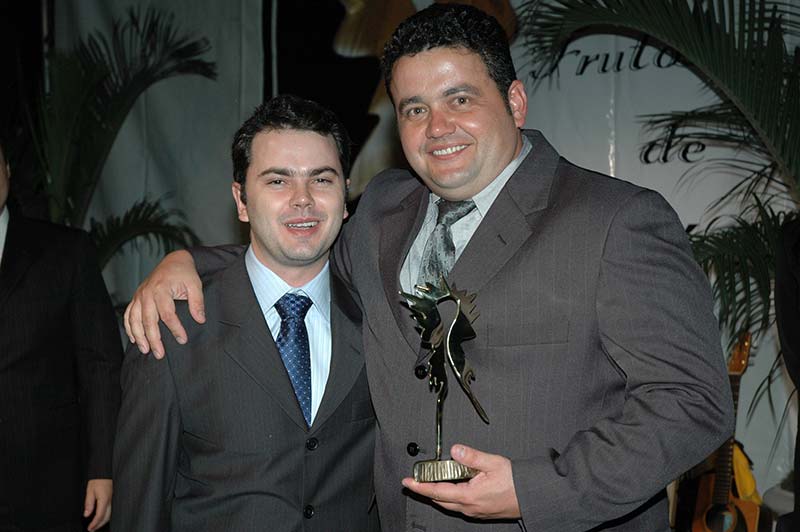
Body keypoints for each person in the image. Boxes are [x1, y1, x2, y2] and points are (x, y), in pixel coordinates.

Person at [124, 5, 734, 531]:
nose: (437, 128)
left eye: (459, 99)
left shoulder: (615, 220)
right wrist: (185, 261)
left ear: (515, 102)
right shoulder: (384, 210)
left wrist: (535, 490)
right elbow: (297, 246)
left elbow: (694, 403)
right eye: (414, 109)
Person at [112, 95, 379, 531]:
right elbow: (140, 508)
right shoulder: (172, 329)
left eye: (321, 179)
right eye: (278, 181)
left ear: (345, 195)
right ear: (241, 199)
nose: (303, 200)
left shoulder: (380, 316)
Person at [0, 139, 120, 531]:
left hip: (47, 483)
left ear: (7, 169)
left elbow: (100, 364)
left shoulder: (65, 250)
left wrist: (103, 467)